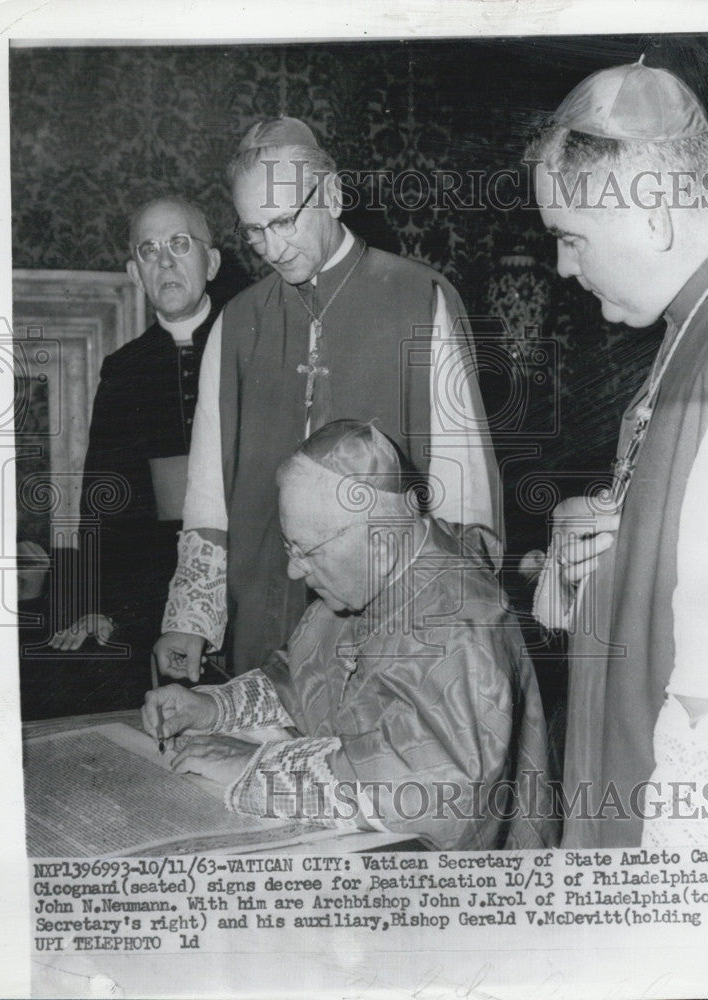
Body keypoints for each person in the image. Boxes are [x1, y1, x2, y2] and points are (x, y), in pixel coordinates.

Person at [153, 117, 502, 682]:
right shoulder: (238, 323)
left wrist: (453, 621)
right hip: (264, 607)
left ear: (334, 195)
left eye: (284, 221)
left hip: (391, 624)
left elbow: (463, 486)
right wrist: (191, 618)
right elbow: (208, 492)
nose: (271, 247)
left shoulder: (420, 299)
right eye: (253, 231)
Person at [526, 58, 708, 847]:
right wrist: (604, 546)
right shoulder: (700, 316)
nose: (563, 267)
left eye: (569, 238)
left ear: (653, 211)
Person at [143, 420, 555, 851]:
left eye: (306, 551)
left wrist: (255, 768)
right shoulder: (369, 574)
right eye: (289, 547)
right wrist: (214, 707)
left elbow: (440, 792)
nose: (294, 570)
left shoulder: (461, 621)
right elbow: (304, 675)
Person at [50, 197, 221, 690]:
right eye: (149, 250)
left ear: (209, 262)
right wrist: (99, 605)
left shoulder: (251, 342)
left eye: (180, 244)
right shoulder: (124, 369)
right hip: (157, 589)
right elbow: (104, 500)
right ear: (134, 272)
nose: (164, 260)